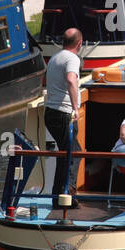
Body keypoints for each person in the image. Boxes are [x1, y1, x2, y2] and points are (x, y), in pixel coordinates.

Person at [44, 28, 83, 206]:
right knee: (75, 153)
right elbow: (70, 79)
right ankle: (68, 197)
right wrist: (76, 108)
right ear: (79, 43)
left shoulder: (54, 58)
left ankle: (56, 197)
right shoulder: (72, 58)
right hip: (63, 114)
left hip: (50, 113)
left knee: (64, 153)